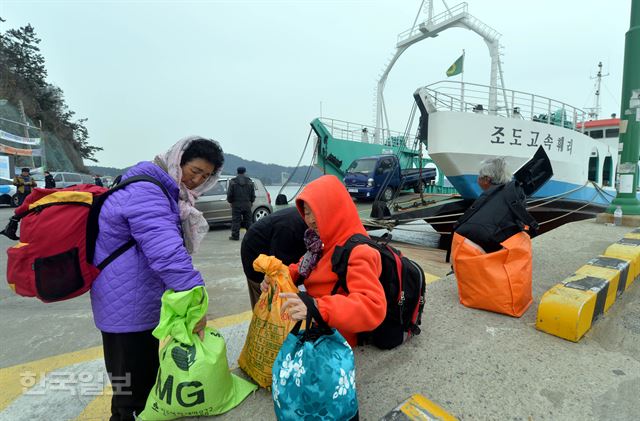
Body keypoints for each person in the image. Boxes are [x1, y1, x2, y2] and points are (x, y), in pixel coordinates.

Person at [90, 136, 224, 421]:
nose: (198, 180)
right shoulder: (147, 192)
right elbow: (166, 253)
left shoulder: (161, 188)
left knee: (138, 375)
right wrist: (196, 298)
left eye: (206, 176)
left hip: (131, 297)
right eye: (195, 170)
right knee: (131, 383)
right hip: (126, 303)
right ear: (178, 160)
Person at [266, 175, 386, 348]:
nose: (310, 220)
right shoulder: (320, 244)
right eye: (306, 212)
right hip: (316, 326)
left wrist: (317, 308)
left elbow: (372, 306)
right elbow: (299, 269)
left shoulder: (359, 251)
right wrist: (276, 277)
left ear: (334, 208)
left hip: (335, 342)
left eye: (316, 211)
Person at [240, 206, 307, 308]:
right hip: (255, 255)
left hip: (275, 245)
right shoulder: (291, 228)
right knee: (267, 303)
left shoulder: (308, 221)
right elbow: (280, 264)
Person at [227, 166, 255, 241]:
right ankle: (251, 236)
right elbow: (253, 194)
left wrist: (230, 201)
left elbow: (230, 194)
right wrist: (251, 201)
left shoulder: (233, 181)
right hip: (247, 204)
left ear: (237, 172)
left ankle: (235, 236)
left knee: (236, 220)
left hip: (236, 204)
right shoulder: (250, 181)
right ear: (245, 172)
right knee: (248, 221)